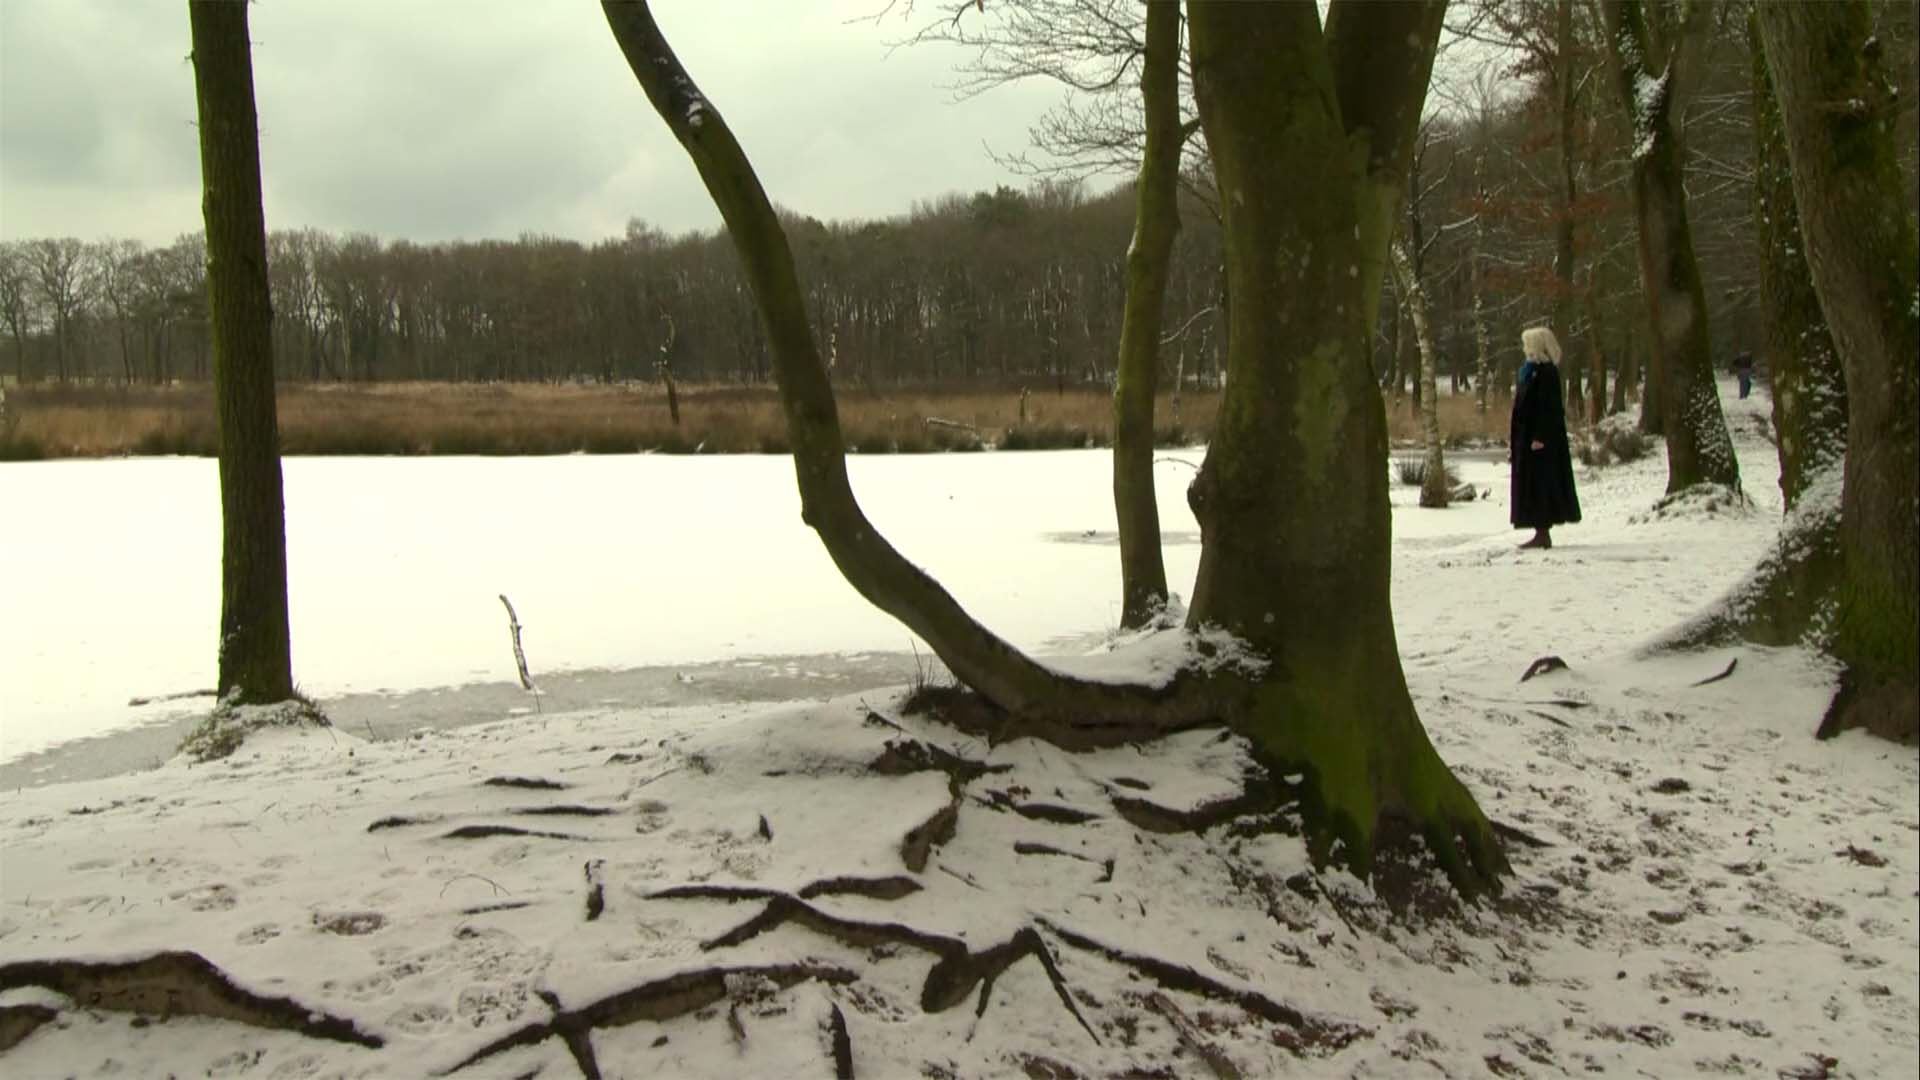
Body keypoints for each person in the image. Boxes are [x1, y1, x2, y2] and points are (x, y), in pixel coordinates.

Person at [1510, 326, 1581, 550]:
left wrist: (1540, 436)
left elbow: (1548, 408)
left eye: (1528, 344)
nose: (1524, 348)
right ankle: (1539, 529)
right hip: (1526, 437)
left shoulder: (1546, 372)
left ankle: (1542, 531)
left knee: (1540, 484)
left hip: (1539, 440)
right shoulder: (1529, 371)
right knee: (1531, 484)